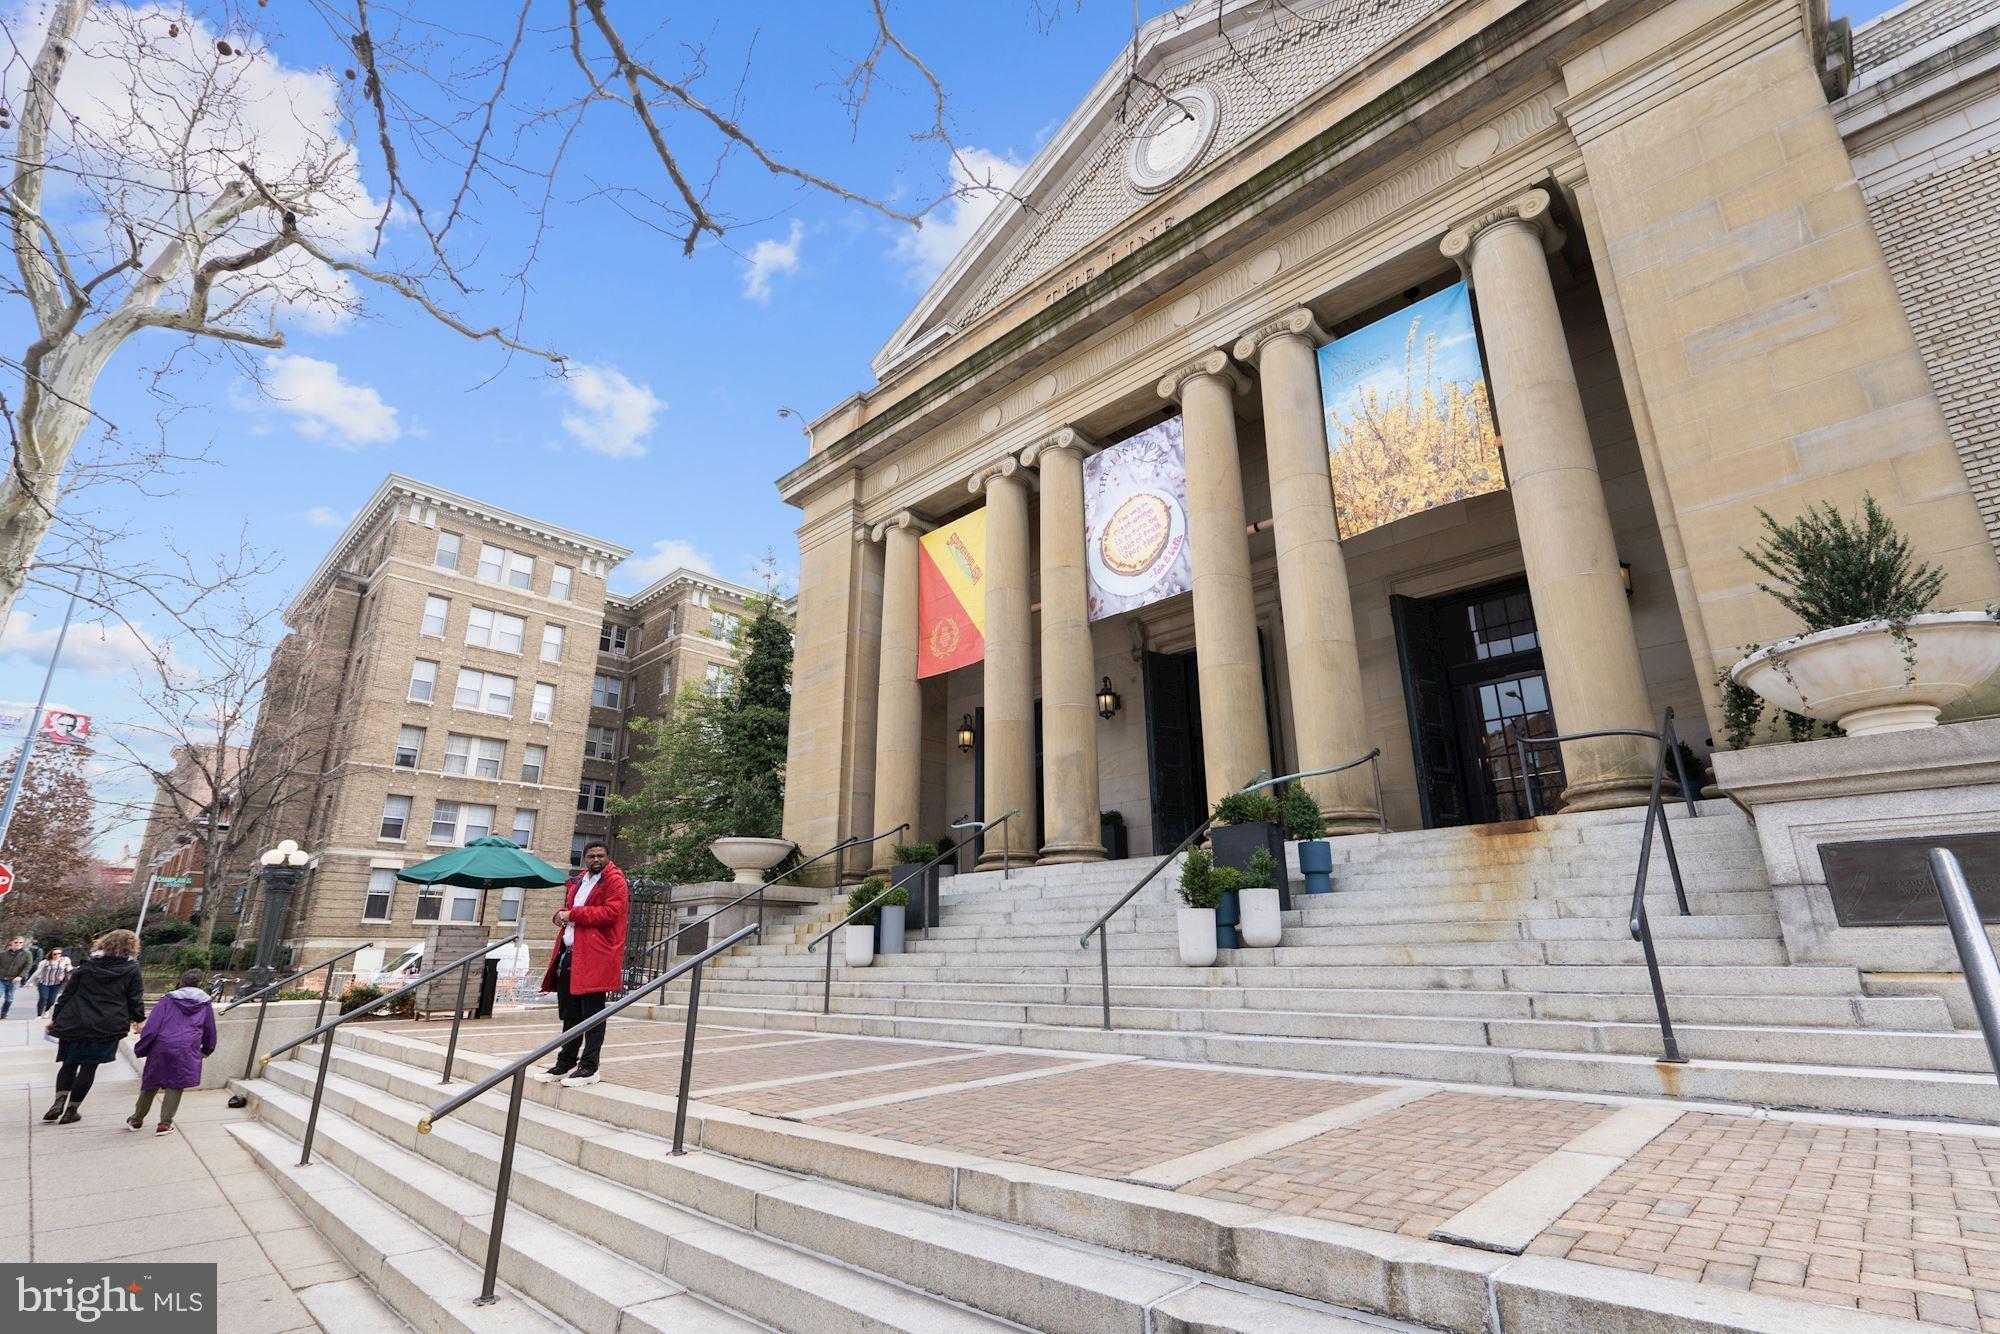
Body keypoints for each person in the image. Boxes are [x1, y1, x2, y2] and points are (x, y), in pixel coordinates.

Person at [535, 841, 628, 1088]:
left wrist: (573, 914)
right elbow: (570, 910)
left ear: (608, 857)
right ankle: (564, 1063)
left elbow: (612, 912)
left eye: (600, 855)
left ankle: (589, 1067)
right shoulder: (580, 881)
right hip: (569, 954)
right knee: (570, 1015)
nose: (596, 859)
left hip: (594, 957)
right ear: (584, 858)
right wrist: (561, 914)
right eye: (591, 856)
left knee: (593, 1015)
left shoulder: (614, 880)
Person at [44, 929, 146, 1124]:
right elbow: (135, 998)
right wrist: (139, 1020)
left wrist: (56, 1018)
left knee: (69, 1064)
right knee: (89, 1068)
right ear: (131, 947)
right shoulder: (131, 969)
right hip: (107, 1024)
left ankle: (58, 1101)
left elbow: (67, 994)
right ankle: (71, 1110)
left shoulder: (88, 966)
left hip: (76, 1021)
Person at [128, 969, 216, 1135]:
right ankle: (164, 1123)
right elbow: (209, 1028)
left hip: (162, 1044)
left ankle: (136, 1119)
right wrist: (207, 1049)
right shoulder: (205, 1003)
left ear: (182, 981)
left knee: (151, 1081)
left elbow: (153, 1025)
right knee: (176, 1084)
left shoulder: (168, 999)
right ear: (200, 983)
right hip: (187, 1047)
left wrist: (143, 1046)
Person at [30, 948, 71, 1016]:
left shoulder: (64, 960)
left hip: (56, 983)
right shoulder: (45, 962)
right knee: (43, 998)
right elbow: (37, 973)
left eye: (59, 953)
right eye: (55, 954)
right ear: (51, 955)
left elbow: (69, 967)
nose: (57, 955)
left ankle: (46, 1010)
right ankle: (39, 1014)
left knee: (52, 1001)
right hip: (43, 983)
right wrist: (30, 982)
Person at [0, 935, 33, 1018]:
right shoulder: (3, 954)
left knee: (9, 999)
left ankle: (3, 1013)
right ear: (11, 943)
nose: (18, 944)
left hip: (14, 980)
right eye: (16, 942)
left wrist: (20, 976)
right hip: (1, 979)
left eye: (20, 942)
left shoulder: (27, 954)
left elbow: (28, 966)